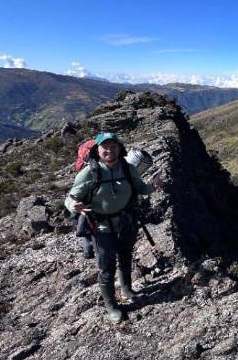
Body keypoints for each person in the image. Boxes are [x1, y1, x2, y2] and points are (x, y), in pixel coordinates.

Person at [64, 132, 164, 323]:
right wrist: (72, 205)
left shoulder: (127, 169)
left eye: (113, 146)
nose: (109, 150)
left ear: (119, 148)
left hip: (126, 220)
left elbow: (141, 189)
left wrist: (153, 185)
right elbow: (71, 197)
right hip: (101, 226)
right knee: (106, 266)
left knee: (126, 255)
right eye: (105, 147)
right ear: (97, 150)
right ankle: (111, 306)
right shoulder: (89, 173)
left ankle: (127, 289)